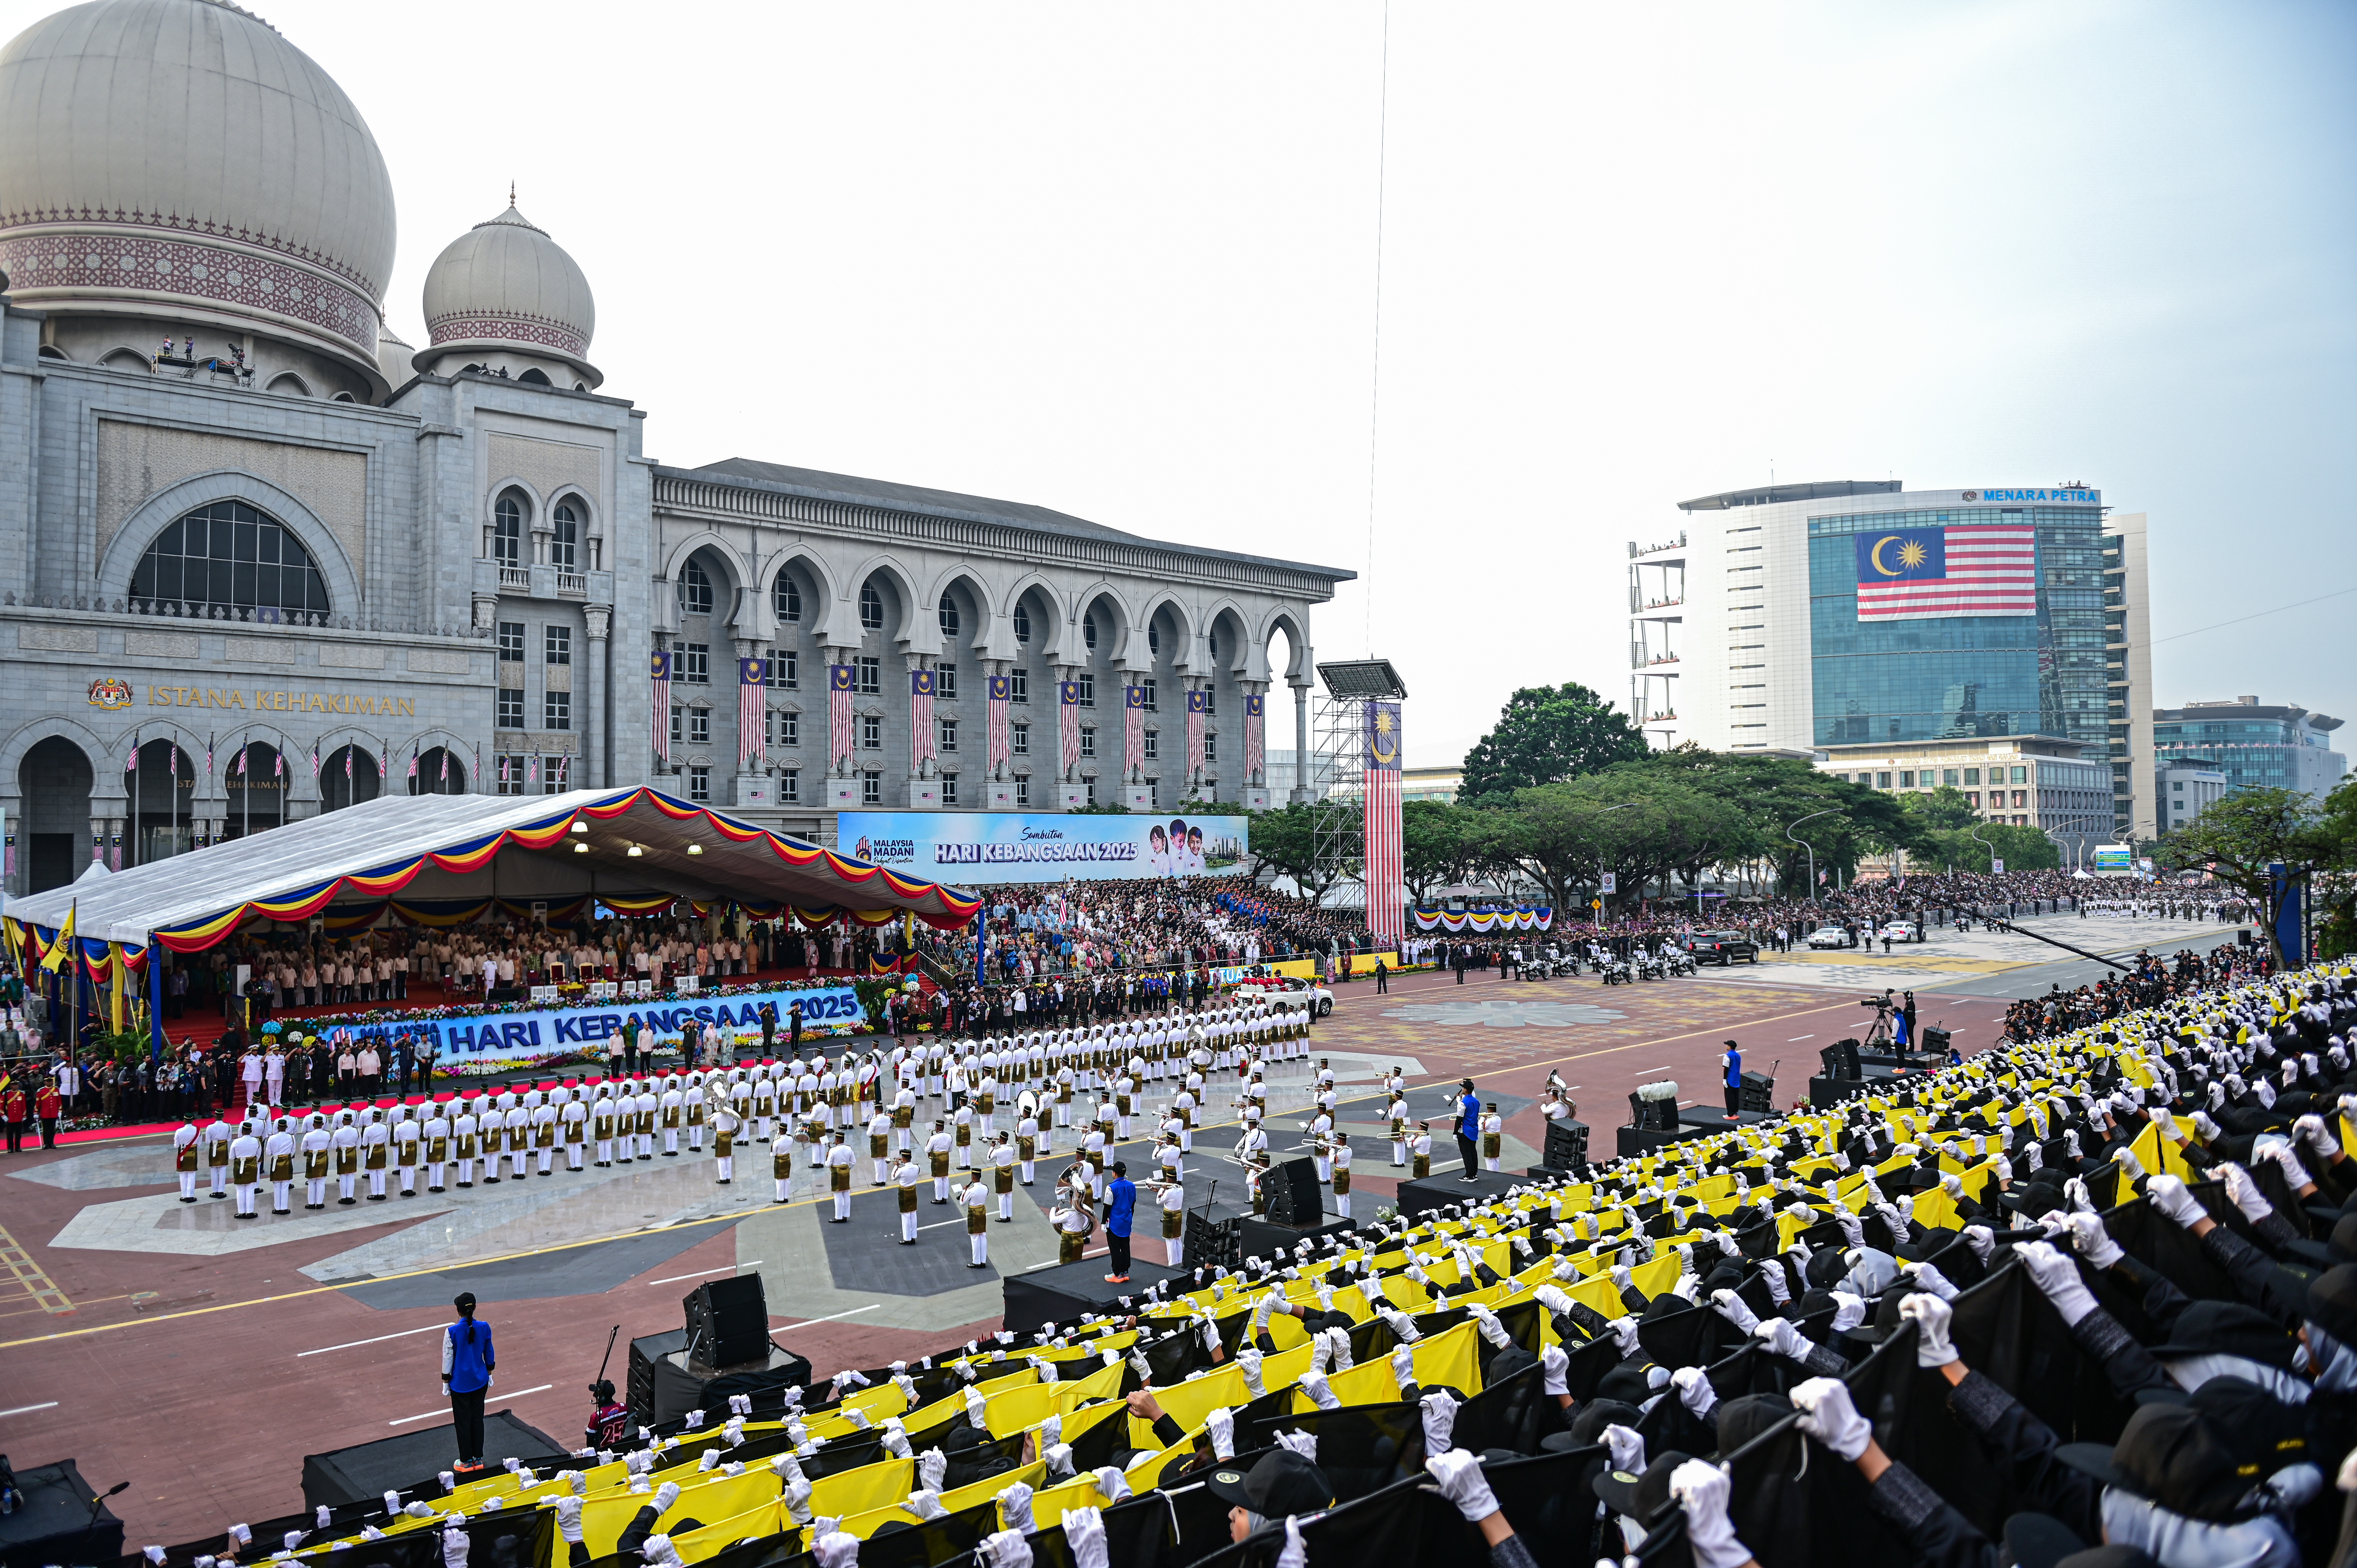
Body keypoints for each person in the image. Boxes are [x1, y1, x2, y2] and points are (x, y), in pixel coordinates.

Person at [440, 1293, 496, 1470]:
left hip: (460, 1385)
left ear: (458, 1311)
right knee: (477, 1419)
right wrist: (490, 1373)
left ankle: (465, 1461)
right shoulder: (484, 1327)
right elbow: (489, 1352)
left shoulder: (452, 1332)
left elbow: (448, 1358)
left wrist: (445, 1381)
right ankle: (478, 1459)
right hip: (480, 1381)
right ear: (475, 1308)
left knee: (463, 1422)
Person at [1103, 1160, 1137, 1283]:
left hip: (1114, 1223)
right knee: (1125, 1246)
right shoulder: (1132, 1186)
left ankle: (1116, 1273)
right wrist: (1130, 1217)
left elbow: (1107, 1207)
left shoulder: (1111, 1188)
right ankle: (1125, 1272)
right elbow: (1133, 1204)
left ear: (1115, 1173)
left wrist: (1103, 1223)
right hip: (1127, 1221)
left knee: (1115, 1248)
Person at [1454, 1079, 1481, 1181]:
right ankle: (1474, 1173)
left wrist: (1455, 1132)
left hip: (1465, 1131)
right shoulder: (1476, 1102)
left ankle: (1469, 1175)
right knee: (1473, 1152)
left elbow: (1459, 1119)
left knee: (1466, 1154)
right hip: (1474, 1130)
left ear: (1465, 1090)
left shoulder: (1463, 1103)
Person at [962, 1173, 990, 1269]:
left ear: (973, 1178)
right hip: (982, 1212)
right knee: (983, 1236)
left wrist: (964, 1191)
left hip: (973, 1214)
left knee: (975, 1238)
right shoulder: (985, 1188)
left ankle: (976, 1262)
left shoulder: (971, 1190)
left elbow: (962, 1202)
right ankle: (983, 1261)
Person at [1721, 1039, 1742, 1121]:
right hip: (1737, 1078)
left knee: (1729, 1096)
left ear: (1730, 1047)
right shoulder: (1738, 1056)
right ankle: (1735, 1112)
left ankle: (1730, 1113)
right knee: (1736, 1096)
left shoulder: (1727, 1056)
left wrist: (1725, 1079)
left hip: (1730, 1078)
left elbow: (1726, 1068)